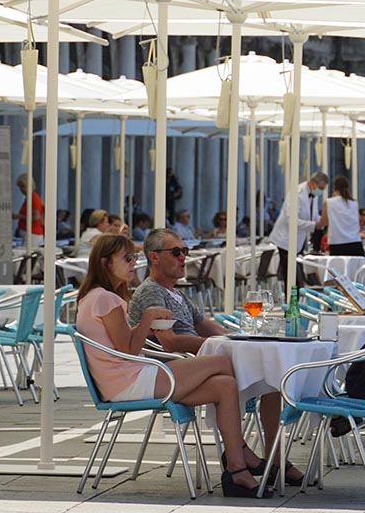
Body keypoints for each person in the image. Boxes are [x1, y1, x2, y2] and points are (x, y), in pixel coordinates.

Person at [76, 233, 267, 496]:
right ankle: (240, 449)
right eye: (127, 258)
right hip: (127, 381)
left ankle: (236, 468)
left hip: (126, 378)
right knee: (222, 362)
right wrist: (147, 318)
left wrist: (144, 325)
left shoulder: (97, 297)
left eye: (134, 257)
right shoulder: (104, 298)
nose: (133, 263)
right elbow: (128, 350)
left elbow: (124, 344)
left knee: (224, 385)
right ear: (105, 262)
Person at [128, 228, 305, 487]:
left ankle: (274, 460)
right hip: (172, 371)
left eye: (184, 251)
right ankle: (240, 453)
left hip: (196, 364)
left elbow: (208, 326)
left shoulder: (176, 293)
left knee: (271, 379)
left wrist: (236, 340)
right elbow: (170, 343)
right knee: (242, 376)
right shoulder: (151, 293)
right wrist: (218, 346)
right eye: (176, 252)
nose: (183, 257)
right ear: (154, 257)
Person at [269, 171, 327, 283]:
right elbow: (292, 220)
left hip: (299, 241)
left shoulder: (313, 195)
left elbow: (314, 215)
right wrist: (315, 225)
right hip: (285, 239)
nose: (320, 191)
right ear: (312, 183)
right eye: (320, 188)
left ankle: (294, 292)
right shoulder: (297, 194)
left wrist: (322, 221)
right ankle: (291, 294)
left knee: (296, 275)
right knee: (290, 275)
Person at [317, 176, 362, 257]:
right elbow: (358, 220)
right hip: (355, 241)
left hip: (337, 242)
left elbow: (323, 222)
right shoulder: (354, 203)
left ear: (334, 188)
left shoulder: (329, 202)